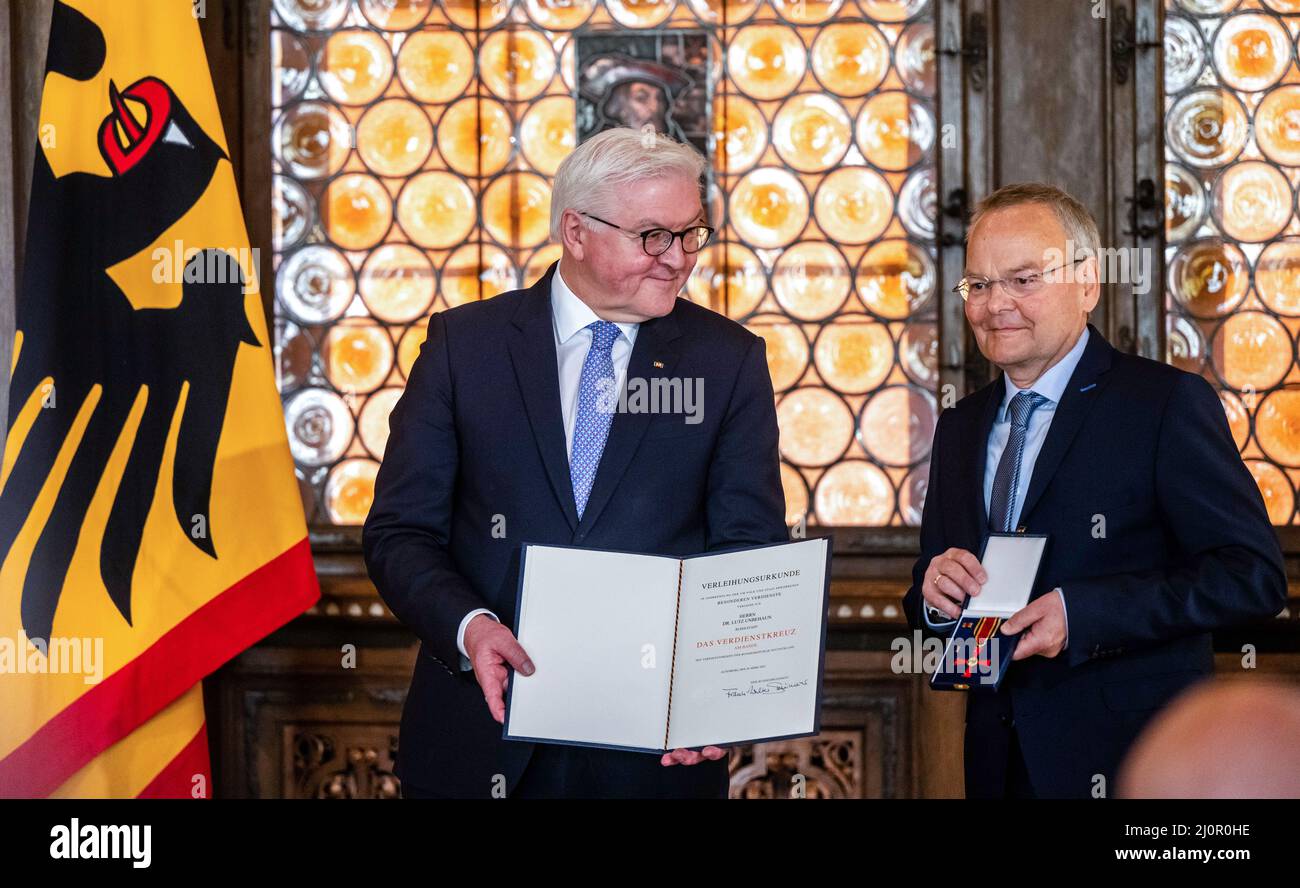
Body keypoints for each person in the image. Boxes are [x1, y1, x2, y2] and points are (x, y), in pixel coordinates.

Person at [363, 127, 787, 798]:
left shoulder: (728, 360)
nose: (677, 259)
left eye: (691, 234)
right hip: (479, 738)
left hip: (655, 754)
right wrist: (471, 627)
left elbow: (746, 552)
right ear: (577, 231)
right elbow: (400, 534)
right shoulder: (463, 346)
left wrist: (717, 693)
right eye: (652, 236)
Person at [903, 182, 1286, 799]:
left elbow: (1251, 578)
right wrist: (931, 594)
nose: (994, 303)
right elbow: (939, 583)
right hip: (998, 765)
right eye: (977, 284)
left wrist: (1081, 614)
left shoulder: (1163, 405)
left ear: (1088, 281)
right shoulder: (959, 425)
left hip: (1135, 761)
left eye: (1023, 279)